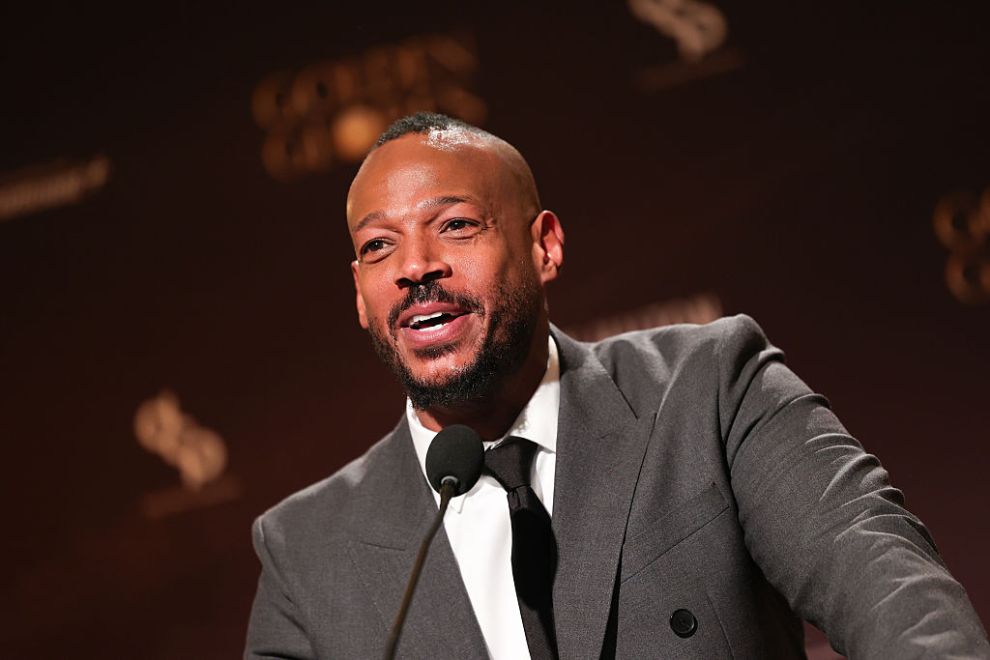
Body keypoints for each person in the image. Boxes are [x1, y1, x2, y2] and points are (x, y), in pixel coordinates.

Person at [245, 112, 990, 659]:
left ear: (544, 246)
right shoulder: (307, 553)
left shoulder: (710, 391)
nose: (414, 267)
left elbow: (899, 603)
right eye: (379, 246)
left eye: (456, 226)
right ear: (358, 292)